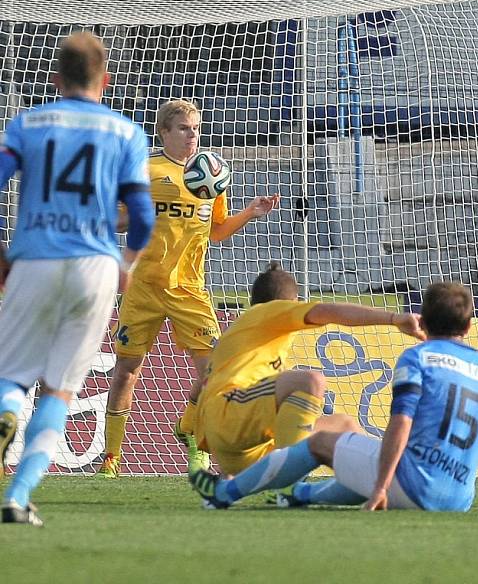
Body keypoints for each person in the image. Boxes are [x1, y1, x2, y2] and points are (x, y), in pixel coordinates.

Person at [190, 281, 478, 513]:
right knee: (351, 434)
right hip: (458, 499)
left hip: (409, 486)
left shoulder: (418, 357)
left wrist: (382, 488)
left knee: (323, 442)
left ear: (421, 319)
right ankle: (300, 495)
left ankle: (225, 493)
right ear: (470, 326)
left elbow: (401, 422)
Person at [0, 32, 154, 525]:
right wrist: (125, 264)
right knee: (61, 389)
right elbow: (144, 217)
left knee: (11, 377)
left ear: (56, 78)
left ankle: (6, 409)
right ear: (105, 81)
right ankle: (18, 496)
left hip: (35, 260)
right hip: (95, 268)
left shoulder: (28, 123)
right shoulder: (127, 133)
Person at [97, 99, 280, 478]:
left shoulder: (212, 175)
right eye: (183, 128)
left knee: (212, 373)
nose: (191, 135)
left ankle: (193, 441)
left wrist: (250, 212)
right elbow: (118, 221)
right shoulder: (147, 170)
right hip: (144, 287)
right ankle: (111, 458)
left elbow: (216, 232)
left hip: (190, 290)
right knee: (126, 371)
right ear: (164, 132)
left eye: (195, 128)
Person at [191, 262, 426, 478]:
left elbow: (199, 389)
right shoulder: (269, 312)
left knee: (343, 425)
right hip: (229, 420)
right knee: (311, 381)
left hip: (239, 453)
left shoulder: (249, 344)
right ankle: (292, 481)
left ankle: (388, 480)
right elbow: (331, 312)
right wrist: (394, 319)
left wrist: (190, 430)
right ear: (291, 302)